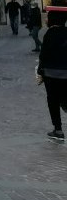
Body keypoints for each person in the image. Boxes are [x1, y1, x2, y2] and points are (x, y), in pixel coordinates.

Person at [36, 9, 67, 141]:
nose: (46, 20)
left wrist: (40, 71)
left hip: (51, 74)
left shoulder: (49, 34)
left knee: (53, 101)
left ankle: (58, 129)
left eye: (48, 17)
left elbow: (43, 54)